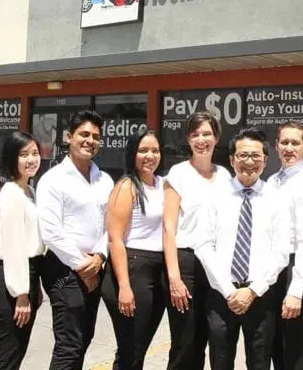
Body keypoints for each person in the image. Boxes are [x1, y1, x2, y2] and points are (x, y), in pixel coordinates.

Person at [195, 127, 290, 370]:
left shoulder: (276, 198)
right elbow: (204, 246)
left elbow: (281, 252)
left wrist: (253, 291)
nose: (249, 162)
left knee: (259, 363)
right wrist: (229, 291)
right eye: (243, 155)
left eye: (256, 156)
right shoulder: (215, 196)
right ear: (231, 159)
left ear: (265, 160)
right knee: (220, 361)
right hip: (221, 295)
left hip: (259, 296)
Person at [37, 109, 114, 370]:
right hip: (64, 269)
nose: (90, 140)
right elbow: (51, 231)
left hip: (96, 265)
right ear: (69, 137)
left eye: (95, 136)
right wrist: (83, 265)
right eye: (84, 134)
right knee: (69, 344)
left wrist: (100, 257)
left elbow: (110, 225)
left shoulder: (104, 180)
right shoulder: (53, 180)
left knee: (84, 339)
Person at [163, 111, 232, 369]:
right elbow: (169, 228)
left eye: (206, 134)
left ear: (216, 138)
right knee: (185, 341)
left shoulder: (226, 176)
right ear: (188, 139)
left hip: (215, 263)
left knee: (210, 335)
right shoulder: (178, 174)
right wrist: (174, 278)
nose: (201, 140)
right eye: (195, 134)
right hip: (186, 264)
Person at [101, 130, 166, 369]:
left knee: (140, 347)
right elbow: (115, 239)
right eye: (143, 150)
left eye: (155, 150)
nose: (150, 155)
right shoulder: (126, 187)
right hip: (133, 268)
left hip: (158, 270)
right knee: (131, 349)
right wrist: (125, 287)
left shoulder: (163, 184)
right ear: (132, 154)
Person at [266, 122, 303, 370]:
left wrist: (296, 290)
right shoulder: (272, 181)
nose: (289, 148)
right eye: (284, 142)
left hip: (295, 269)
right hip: (273, 268)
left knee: (294, 345)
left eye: (295, 143)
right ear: (276, 146)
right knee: (275, 341)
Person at [0, 132, 46, 370]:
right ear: (12, 158)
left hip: (27, 273)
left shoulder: (29, 191)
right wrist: (21, 292)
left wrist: (35, 287)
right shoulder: (11, 192)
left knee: (17, 350)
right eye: (24, 155)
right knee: (10, 352)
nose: (31, 159)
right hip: (11, 279)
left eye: (35, 153)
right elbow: (13, 246)